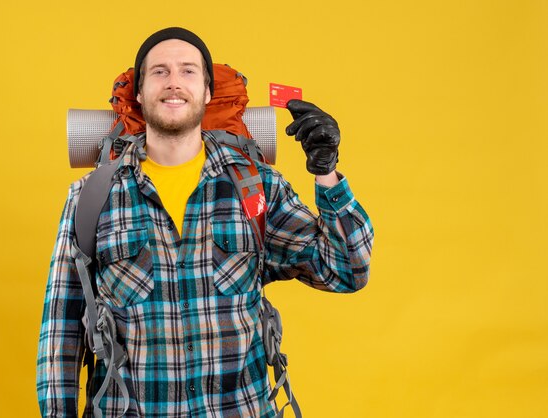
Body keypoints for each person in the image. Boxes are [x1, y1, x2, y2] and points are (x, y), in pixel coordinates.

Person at [37, 27, 374, 417]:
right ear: (141, 93)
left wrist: (326, 172)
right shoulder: (91, 197)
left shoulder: (255, 187)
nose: (174, 82)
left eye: (188, 71)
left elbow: (347, 270)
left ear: (208, 92)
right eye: (159, 72)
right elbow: (60, 335)